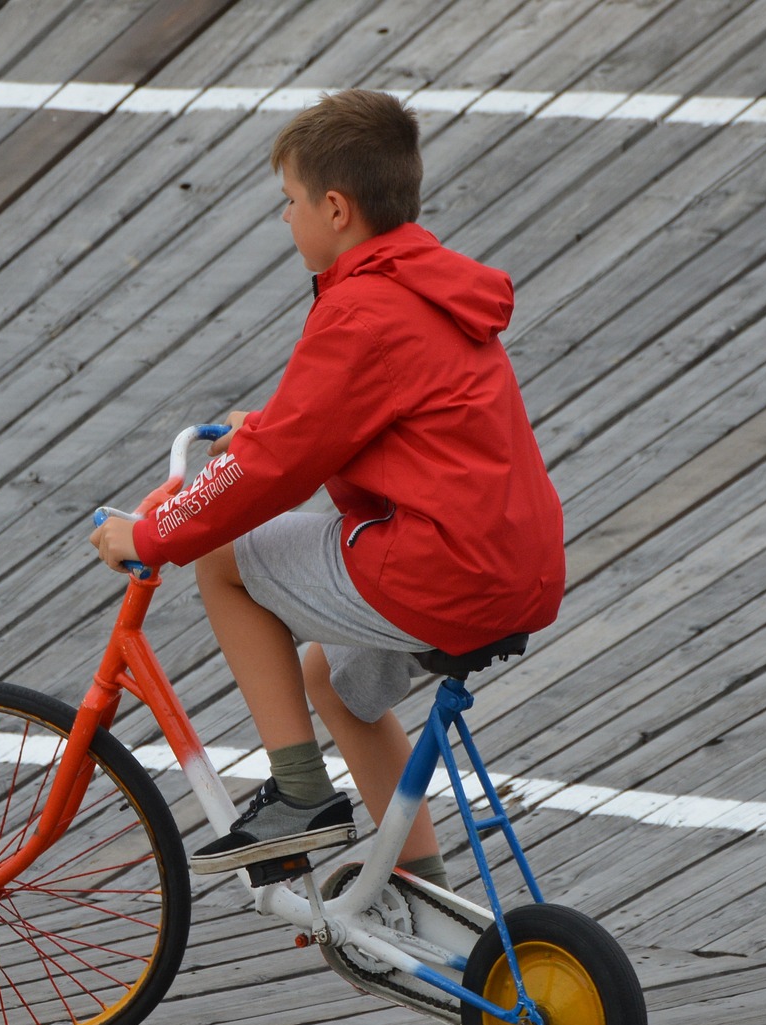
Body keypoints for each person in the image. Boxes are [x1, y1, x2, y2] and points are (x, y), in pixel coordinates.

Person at [91, 89, 564, 887]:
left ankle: (299, 796)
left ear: (336, 209)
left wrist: (150, 535)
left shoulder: (360, 311)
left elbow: (272, 472)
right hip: (517, 565)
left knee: (224, 558)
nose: (286, 217)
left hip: (442, 568)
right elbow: (351, 417)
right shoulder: (428, 288)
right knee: (334, 682)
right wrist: (269, 426)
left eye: (290, 201)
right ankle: (422, 899)